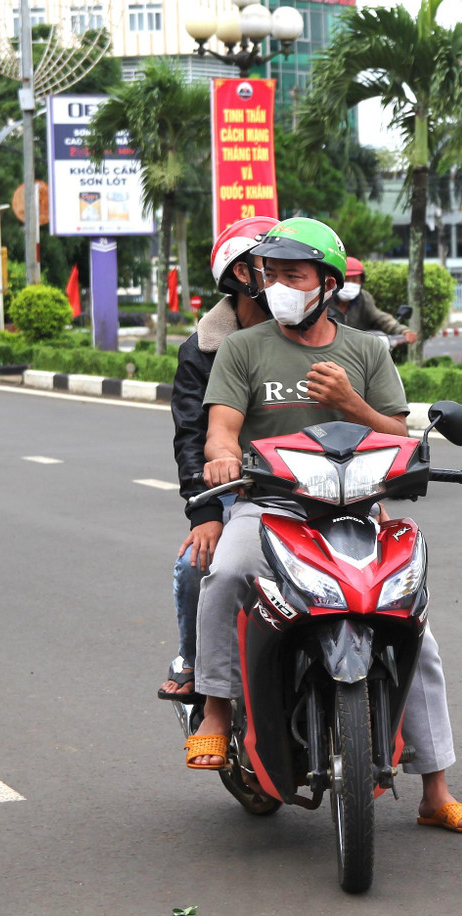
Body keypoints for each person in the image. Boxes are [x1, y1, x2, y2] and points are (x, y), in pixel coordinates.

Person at [186, 216, 462, 833]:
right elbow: (221, 427)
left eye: (294, 276)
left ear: (327, 283)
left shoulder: (367, 350)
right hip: (270, 506)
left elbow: (399, 435)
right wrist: (221, 454)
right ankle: (216, 709)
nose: (279, 288)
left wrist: (352, 404)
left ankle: (435, 790)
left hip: (355, 510)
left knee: (416, 638)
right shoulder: (243, 348)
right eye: (272, 276)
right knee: (226, 572)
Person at [158, 216, 277, 701]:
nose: (286, 278)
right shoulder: (203, 349)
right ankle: (193, 661)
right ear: (239, 277)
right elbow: (192, 436)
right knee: (195, 564)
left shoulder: (315, 334)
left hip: (315, 487)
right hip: (237, 491)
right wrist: (206, 512)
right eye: (271, 267)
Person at [329, 256, 417, 343]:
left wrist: (402, 330)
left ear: (361, 282)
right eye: (346, 280)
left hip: (358, 350)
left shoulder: (364, 298)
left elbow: (378, 317)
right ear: (336, 280)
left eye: (355, 280)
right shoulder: (325, 298)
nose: (350, 284)